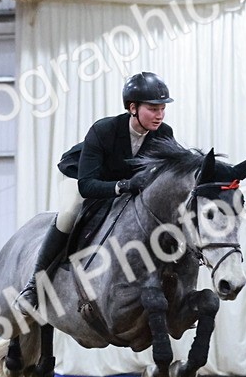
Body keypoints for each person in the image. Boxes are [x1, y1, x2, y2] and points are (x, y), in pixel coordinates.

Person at [19, 71, 178, 309]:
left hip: (125, 185)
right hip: (82, 177)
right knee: (69, 213)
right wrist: (123, 186)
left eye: (162, 109)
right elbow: (87, 185)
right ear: (133, 108)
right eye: (153, 109)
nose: (159, 115)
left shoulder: (164, 134)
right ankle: (34, 285)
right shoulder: (104, 130)